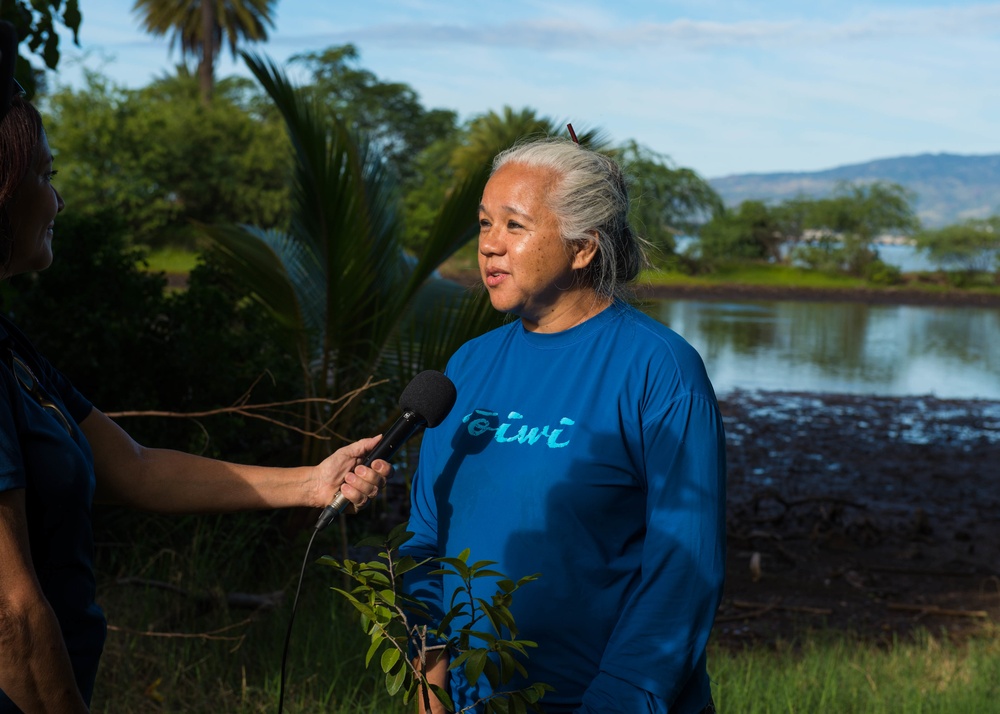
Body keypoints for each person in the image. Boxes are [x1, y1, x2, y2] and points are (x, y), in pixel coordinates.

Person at [0, 75, 391, 711]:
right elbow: (9, 615)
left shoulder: (11, 348)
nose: (58, 200)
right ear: (3, 190)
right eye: (45, 176)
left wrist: (311, 483)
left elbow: (137, 467)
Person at [402, 138, 727, 713]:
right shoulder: (467, 367)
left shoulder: (661, 369)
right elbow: (428, 533)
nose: (489, 245)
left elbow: (684, 570)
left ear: (582, 248)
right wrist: (431, 681)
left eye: (515, 225)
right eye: (484, 223)